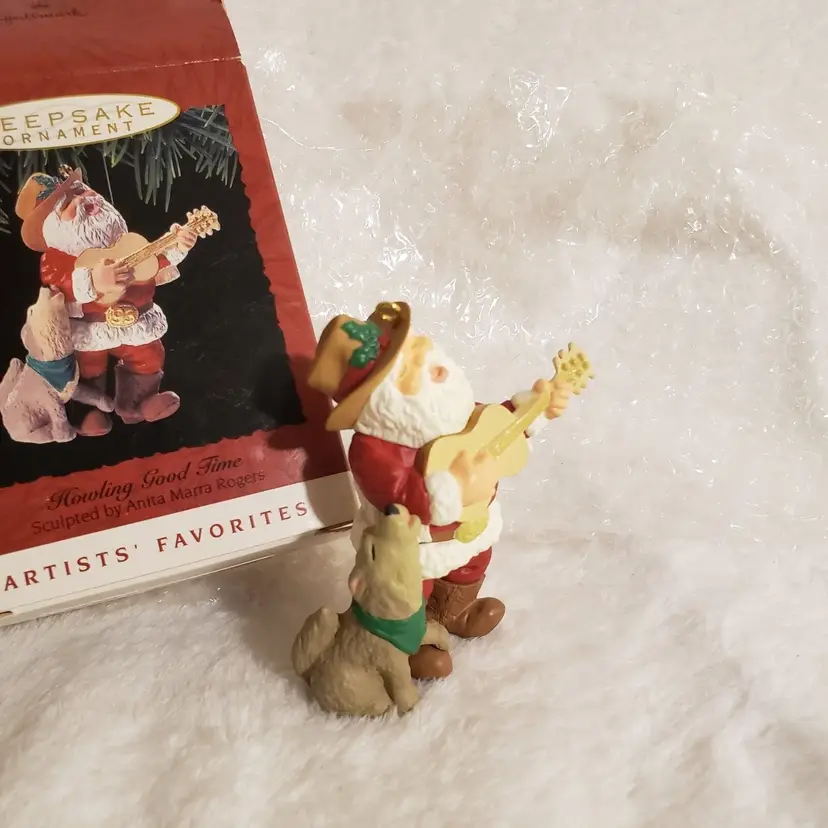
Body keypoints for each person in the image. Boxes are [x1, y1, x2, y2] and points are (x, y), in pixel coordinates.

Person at [307, 301, 571, 679]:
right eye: (409, 369)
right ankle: (408, 645)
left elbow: (491, 424)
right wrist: (454, 486)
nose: (432, 366)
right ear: (380, 403)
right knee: (408, 593)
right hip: (416, 547)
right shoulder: (374, 450)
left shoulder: (449, 407)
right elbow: (400, 497)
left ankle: (455, 612)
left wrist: (535, 408)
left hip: (470, 529)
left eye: (420, 351)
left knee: (471, 565)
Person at [14, 168, 198, 437]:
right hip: (89, 328)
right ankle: (90, 411)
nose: (83, 199)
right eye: (67, 203)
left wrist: (179, 244)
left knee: (149, 356)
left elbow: (155, 260)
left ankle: (139, 403)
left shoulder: (129, 243)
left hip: (135, 322)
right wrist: (94, 281)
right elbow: (61, 285)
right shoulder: (55, 260)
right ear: (52, 228)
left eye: (81, 190)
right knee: (88, 367)